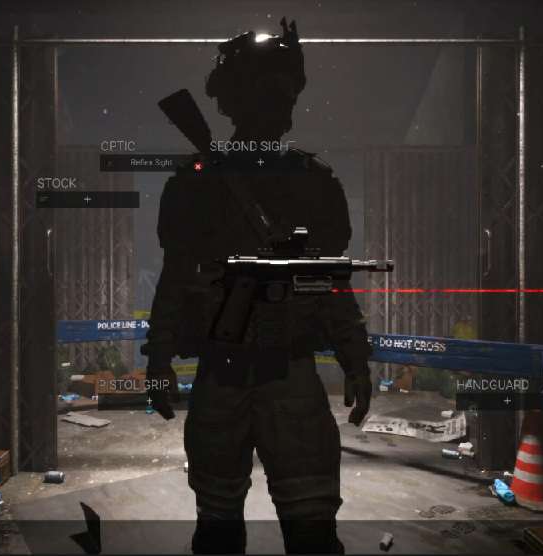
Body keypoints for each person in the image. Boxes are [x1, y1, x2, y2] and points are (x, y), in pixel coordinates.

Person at [142, 18, 372, 554]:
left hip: (280, 373)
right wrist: (158, 360)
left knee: (304, 523)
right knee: (225, 524)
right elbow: (177, 279)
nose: (279, 103)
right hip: (234, 376)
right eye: (269, 90)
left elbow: (327, 281)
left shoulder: (307, 182)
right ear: (237, 99)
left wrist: (356, 359)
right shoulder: (203, 183)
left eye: (282, 91)